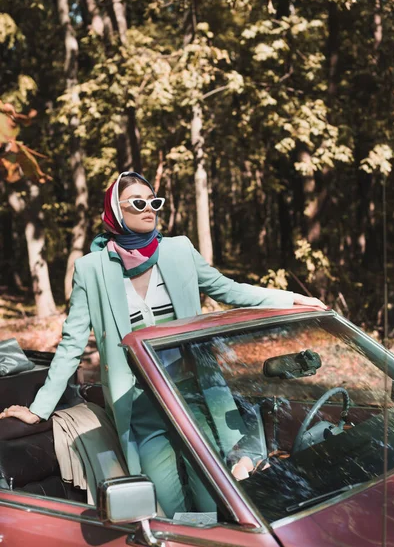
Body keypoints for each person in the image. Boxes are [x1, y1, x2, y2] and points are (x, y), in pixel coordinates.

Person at [0, 171, 326, 516]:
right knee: (165, 501)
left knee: (213, 495)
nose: (148, 209)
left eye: (154, 202)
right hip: (140, 403)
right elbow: (72, 344)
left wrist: (290, 299)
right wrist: (39, 409)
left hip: (194, 393)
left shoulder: (179, 250)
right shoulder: (90, 269)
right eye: (137, 203)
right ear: (112, 213)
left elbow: (230, 290)